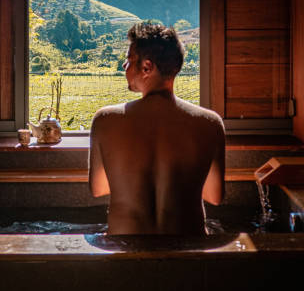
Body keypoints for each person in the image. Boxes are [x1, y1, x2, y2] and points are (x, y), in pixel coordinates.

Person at [89, 22, 225, 235]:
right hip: (189, 254)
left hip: (126, 254)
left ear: (146, 67)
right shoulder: (210, 123)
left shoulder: (106, 121)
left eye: (128, 59)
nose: (124, 66)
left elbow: (98, 189)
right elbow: (214, 196)